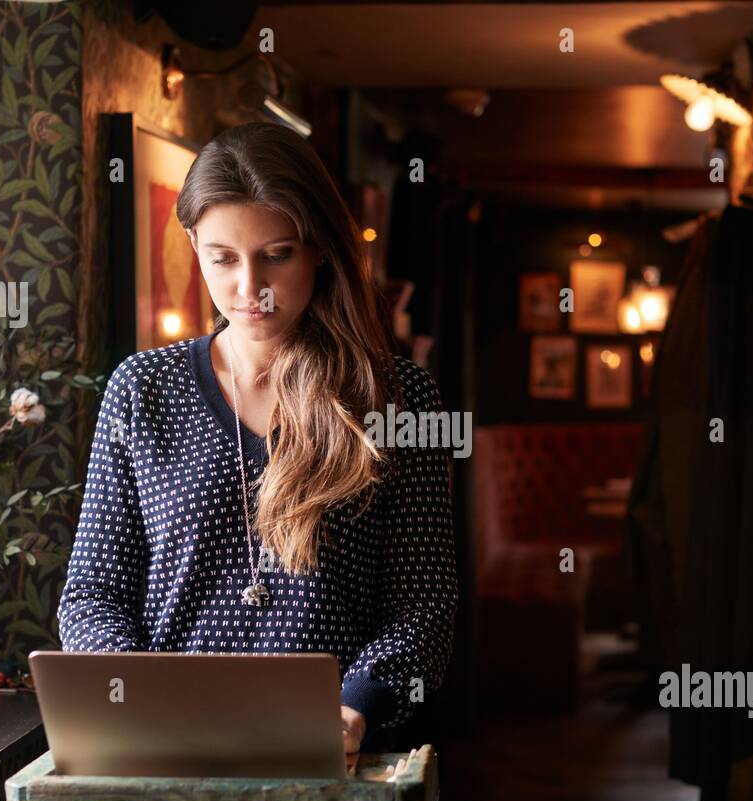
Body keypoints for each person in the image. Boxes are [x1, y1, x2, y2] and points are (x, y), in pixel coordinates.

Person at [57, 122, 458, 758]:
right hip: (169, 751)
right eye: (224, 258)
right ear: (192, 245)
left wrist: (355, 711)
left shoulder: (397, 398)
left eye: (277, 254)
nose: (251, 289)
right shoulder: (142, 390)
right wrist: (133, 699)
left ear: (320, 247)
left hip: (348, 755)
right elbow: (93, 593)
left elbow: (424, 606)